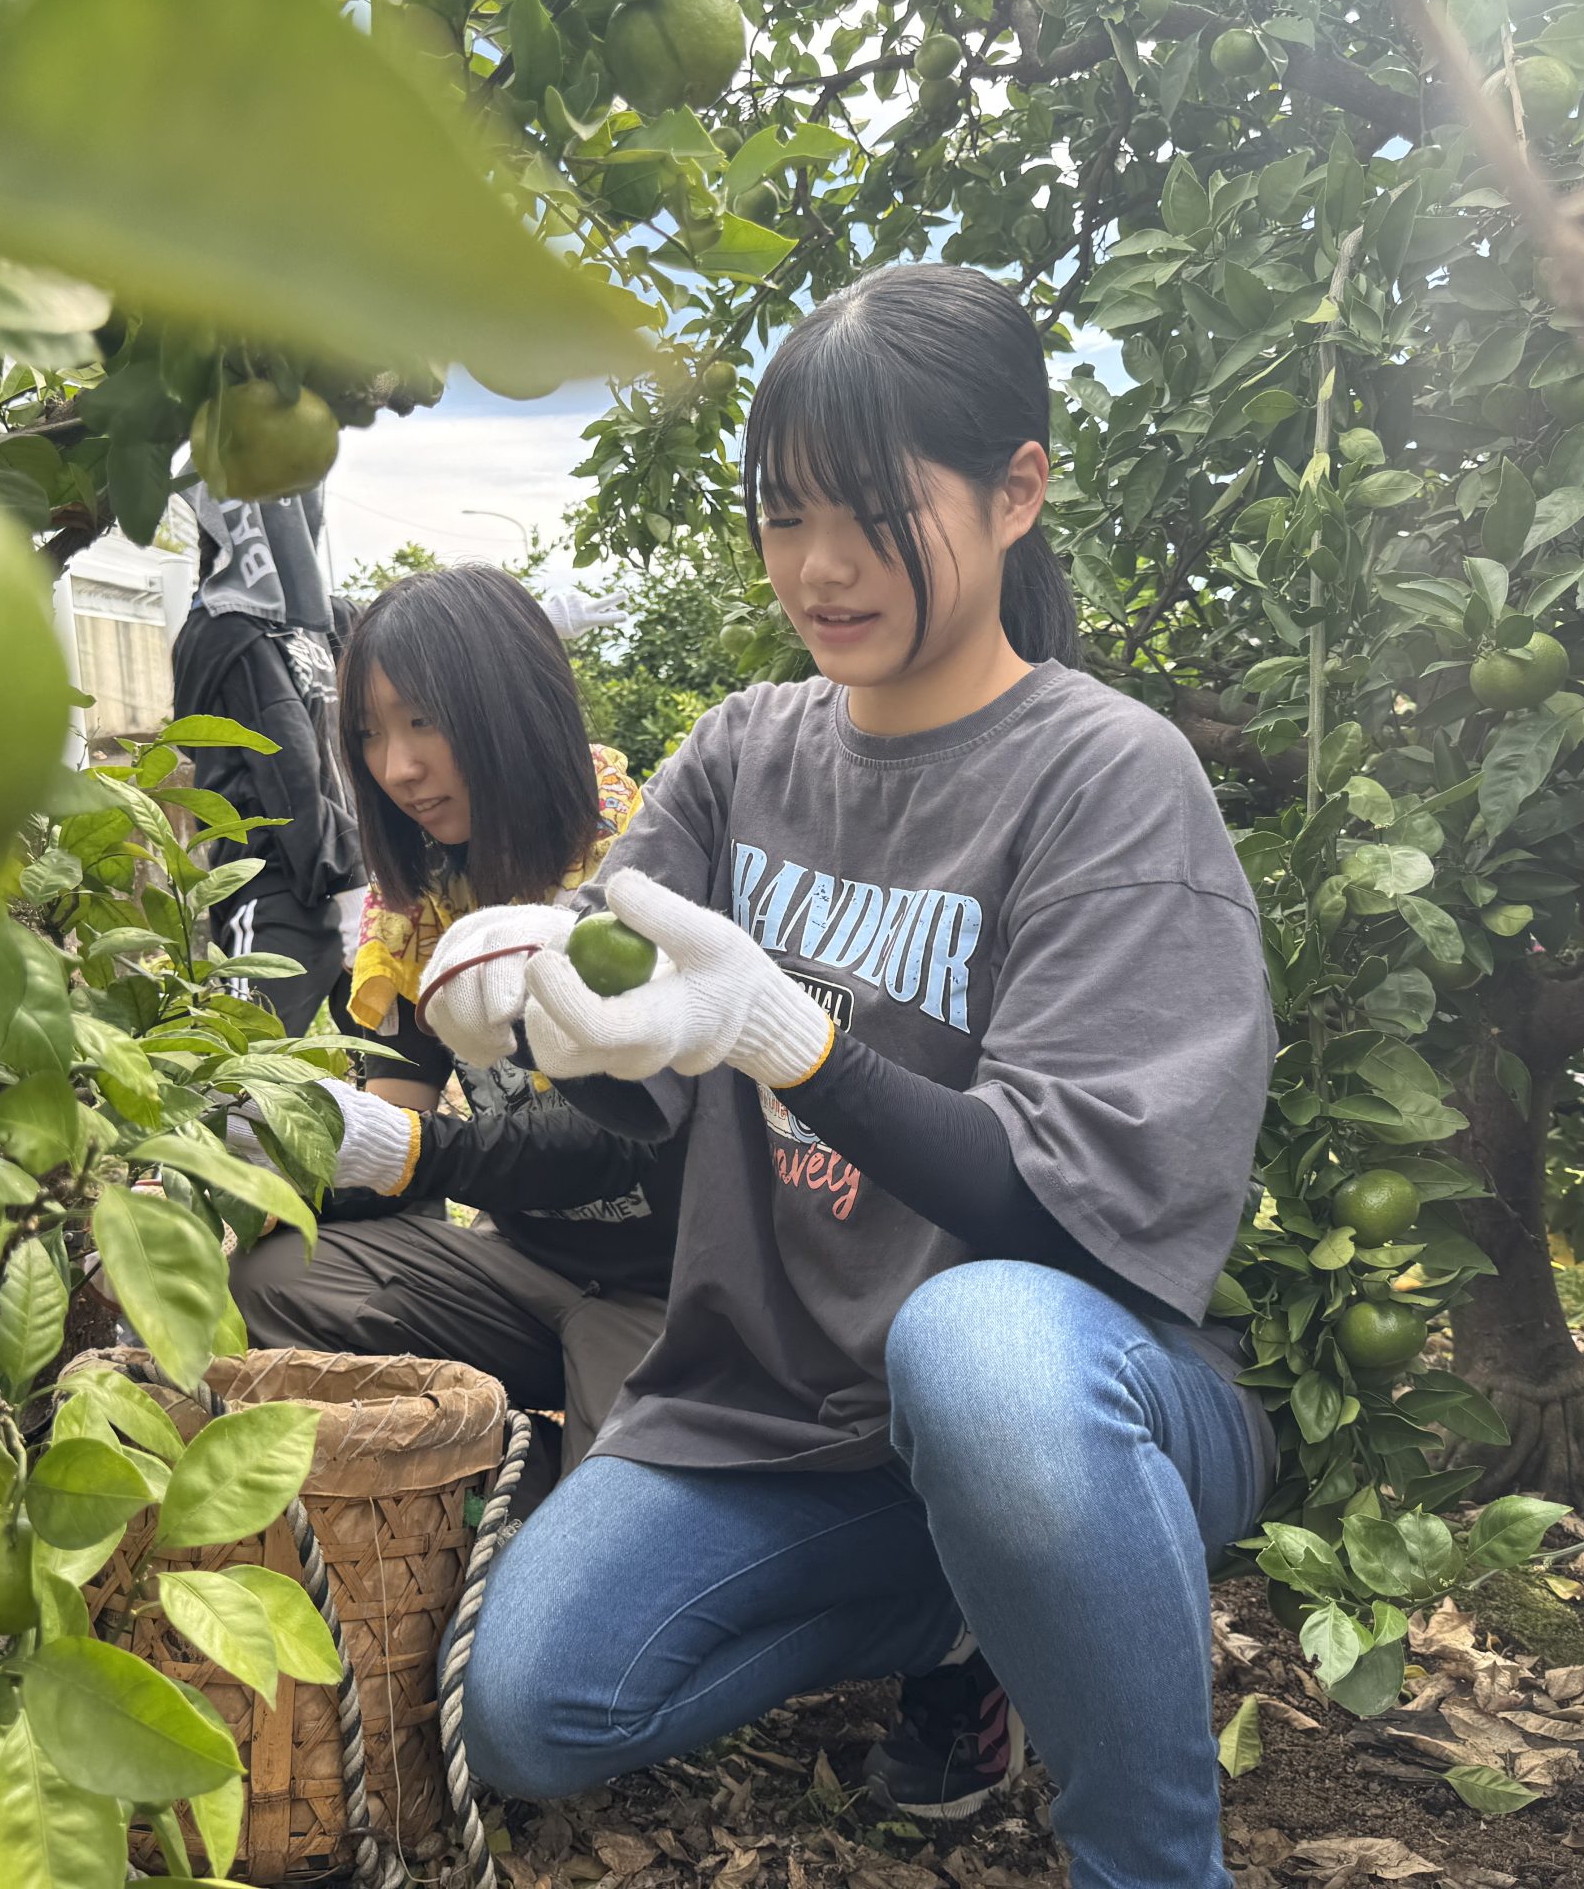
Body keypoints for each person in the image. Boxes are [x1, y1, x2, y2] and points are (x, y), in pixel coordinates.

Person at [421, 265, 1278, 1878]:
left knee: (980, 1357)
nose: (819, 568)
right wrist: (522, 1010)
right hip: (789, 1415)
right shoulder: (743, 755)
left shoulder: (1107, 781)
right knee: (530, 1706)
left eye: (875, 515)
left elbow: (1052, 1206)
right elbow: (629, 1069)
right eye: (784, 514)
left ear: (1017, 490)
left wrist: (789, 1042)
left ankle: (1150, 1854)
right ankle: (984, 1606)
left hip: (1083, 1390)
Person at [226, 566, 679, 1503]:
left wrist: (407, 1151)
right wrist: (240, 1186)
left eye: (424, 720)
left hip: (673, 1294)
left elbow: (622, 1144)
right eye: (370, 735)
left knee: (598, 1560)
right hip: (527, 1273)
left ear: (515, 704)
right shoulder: (420, 914)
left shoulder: (643, 870)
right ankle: (504, 1462)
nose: (397, 769)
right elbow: (396, 1111)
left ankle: (541, 1480)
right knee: (277, 1277)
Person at [170, 483, 368, 1037]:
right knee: (240, 1073)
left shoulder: (317, 619)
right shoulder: (228, 626)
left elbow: (403, 631)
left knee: (397, 1068)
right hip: (275, 882)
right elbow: (286, 762)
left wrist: (537, 618)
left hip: (355, 875)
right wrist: (350, 883)